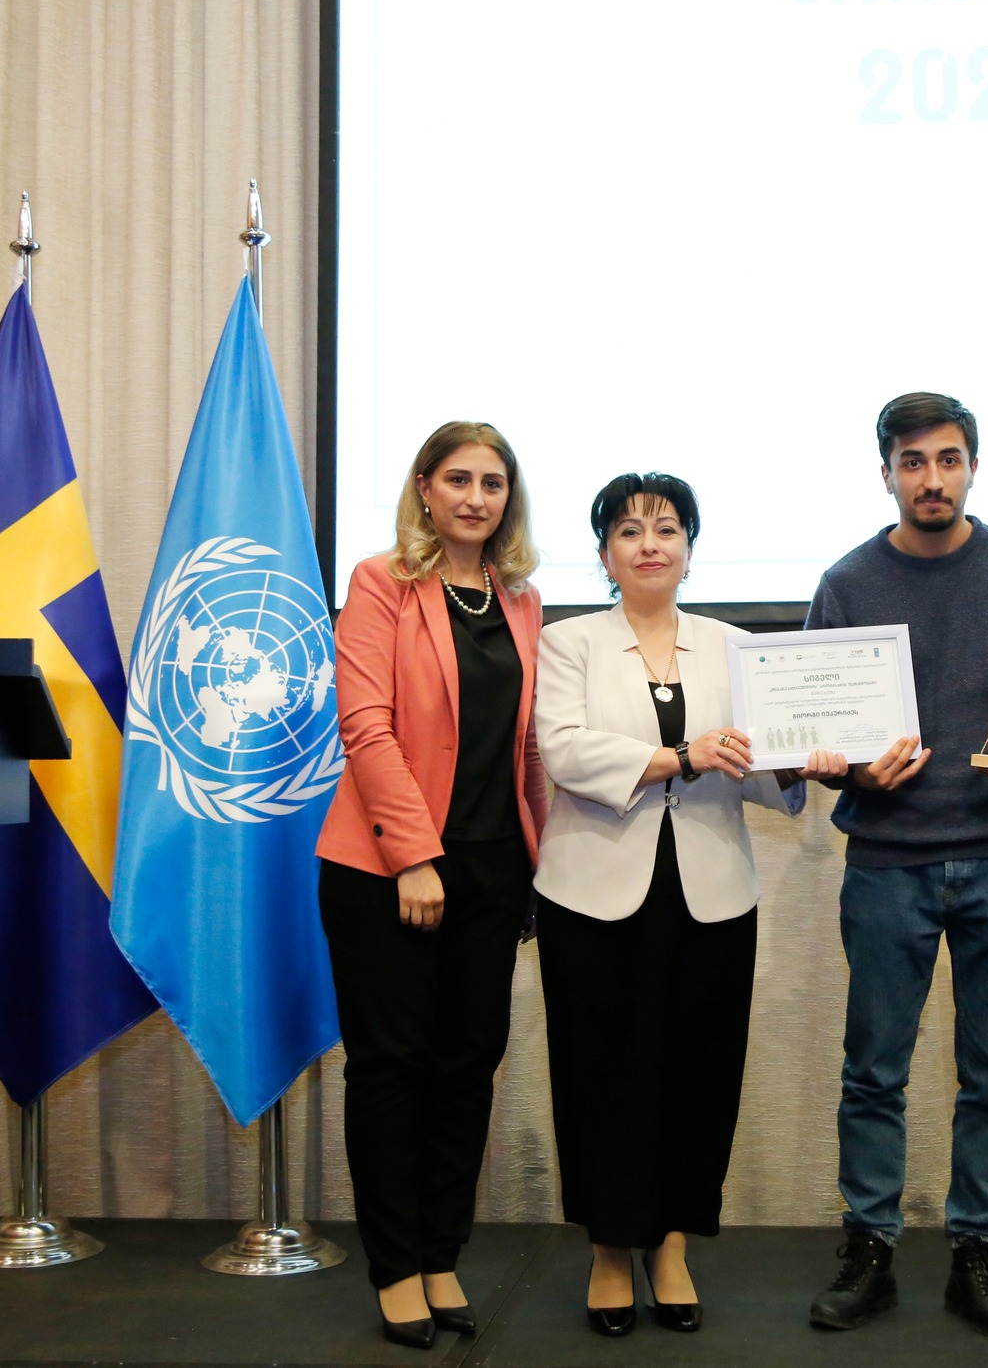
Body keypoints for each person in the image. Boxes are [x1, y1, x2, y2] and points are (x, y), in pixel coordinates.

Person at [804, 393, 988, 1339]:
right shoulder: (849, 583)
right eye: (912, 462)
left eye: (947, 459)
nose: (931, 478)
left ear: (973, 465)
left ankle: (977, 1248)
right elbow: (814, 724)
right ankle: (871, 1249)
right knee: (872, 1073)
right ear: (886, 473)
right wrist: (848, 767)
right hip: (886, 863)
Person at [533, 472, 843, 1338]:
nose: (650, 544)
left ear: (690, 548)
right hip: (590, 895)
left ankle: (670, 1243)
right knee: (602, 1074)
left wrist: (803, 760)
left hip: (712, 895)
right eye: (629, 531)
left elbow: (761, 769)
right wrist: (681, 755)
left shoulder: (735, 647)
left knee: (698, 1072)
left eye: (667, 528)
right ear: (604, 554)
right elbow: (564, 750)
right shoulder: (567, 642)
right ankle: (608, 1248)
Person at [313, 422, 547, 1351]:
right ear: (424, 487)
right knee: (390, 1068)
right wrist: (415, 855)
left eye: (493, 482)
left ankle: (442, 1251)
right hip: (386, 868)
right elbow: (365, 726)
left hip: (493, 869)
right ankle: (395, 1265)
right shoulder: (381, 582)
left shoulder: (521, 598)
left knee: (467, 1066)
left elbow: (526, 746)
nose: (476, 497)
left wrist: (542, 862)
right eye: (458, 479)